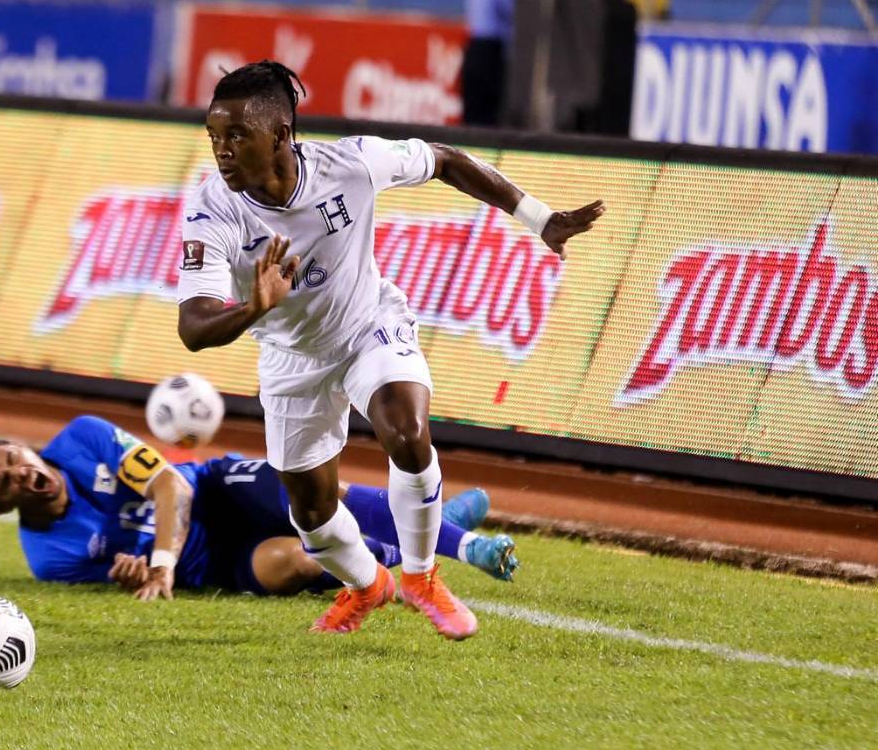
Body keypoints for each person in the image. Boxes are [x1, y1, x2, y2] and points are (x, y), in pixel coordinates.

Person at [177, 60, 602, 638]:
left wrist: (539, 218)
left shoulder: (349, 163)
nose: (221, 150)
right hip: (290, 358)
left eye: (235, 136)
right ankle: (367, 585)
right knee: (312, 517)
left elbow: (446, 160)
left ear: (280, 135)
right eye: (213, 137)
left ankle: (422, 577)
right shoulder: (213, 210)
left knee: (405, 431)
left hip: (366, 326)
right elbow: (194, 327)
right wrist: (255, 307)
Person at [0, 414, 518, 598]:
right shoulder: (49, 559)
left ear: (18, 445)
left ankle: (467, 545)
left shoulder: (82, 438)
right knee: (301, 560)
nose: (23, 474)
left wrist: (160, 562)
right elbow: (130, 575)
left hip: (214, 490)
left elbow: (172, 487)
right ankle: (419, 536)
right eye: (5, 485)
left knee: (312, 495)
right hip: (209, 563)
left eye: (13, 457)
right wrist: (136, 573)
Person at [461, 0, 518, 126]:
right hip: (491, 50)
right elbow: (514, 17)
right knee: (489, 107)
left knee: (473, 104)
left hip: (473, 46)